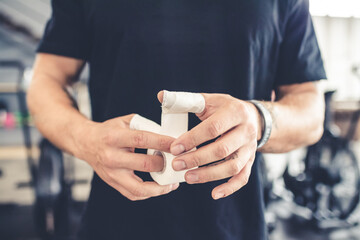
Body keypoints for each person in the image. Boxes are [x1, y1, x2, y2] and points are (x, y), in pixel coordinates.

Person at [27, 0, 327, 239]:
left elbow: (311, 113)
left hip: (236, 226)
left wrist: (259, 119)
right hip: (115, 224)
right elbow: (46, 80)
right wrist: (84, 138)